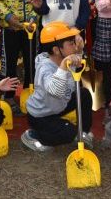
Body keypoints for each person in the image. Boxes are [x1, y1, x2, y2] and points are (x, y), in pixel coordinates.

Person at [22, 22, 91, 151]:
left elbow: (77, 63)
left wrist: (80, 50)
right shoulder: (45, 68)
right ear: (56, 50)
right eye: (71, 43)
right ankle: (33, 135)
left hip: (58, 105)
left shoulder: (65, 58)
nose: (75, 46)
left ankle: (83, 133)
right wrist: (64, 66)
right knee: (68, 132)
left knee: (84, 94)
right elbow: (55, 90)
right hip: (41, 115)